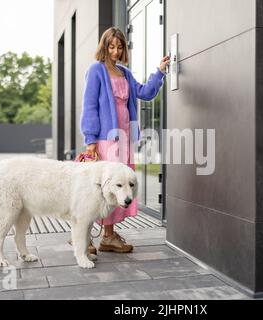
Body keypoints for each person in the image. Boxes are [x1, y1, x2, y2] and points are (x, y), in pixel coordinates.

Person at [80, 27, 170, 254]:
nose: (115, 51)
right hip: (105, 139)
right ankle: (88, 237)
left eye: (119, 47)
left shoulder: (125, 73)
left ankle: (107, 236)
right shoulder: (96, 71)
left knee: (120, 186)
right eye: (111, 46)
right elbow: (89, 106)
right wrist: (90, 140)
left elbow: (145, 92)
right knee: (103, 187)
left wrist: (159, 72)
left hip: (125, 138)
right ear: (104, 46)